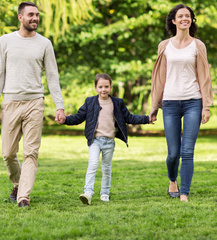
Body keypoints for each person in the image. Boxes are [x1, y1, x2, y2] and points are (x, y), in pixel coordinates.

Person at [0, 1, 66, 208]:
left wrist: (59, 106)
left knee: (31, 152)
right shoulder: (5, 41)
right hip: (11, 103)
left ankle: (24, 196)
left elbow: (52, 76)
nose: (35, 18)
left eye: (37, 15)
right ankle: (17, 183)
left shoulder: (45, 44)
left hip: (35, 103)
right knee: (8, 153)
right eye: (31, 14)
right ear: (20, 17)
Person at [149, 4, 213, 203]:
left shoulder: (198, 45)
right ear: (174, 21)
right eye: (181, 16)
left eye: (188, 16)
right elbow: (159, 77)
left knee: (187, 151)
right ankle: (172, 180)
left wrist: (206, 105)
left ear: (191, 21)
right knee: (173, 152)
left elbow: (204, 77)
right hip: (170, 102)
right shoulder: (164, 46)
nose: (185, 18)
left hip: (193, 100)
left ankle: (184, 192)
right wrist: (154, 105)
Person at [59, 73, 153, 204]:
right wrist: (65, 120)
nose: (104, 89)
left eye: (106, 86)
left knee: (106, 168)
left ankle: (104, 193)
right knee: (92, 164)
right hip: (95, 140)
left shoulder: (117, 103)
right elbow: (78, 117)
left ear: (111, 87)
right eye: (100, 86)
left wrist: (146, 119)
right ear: (96, 88)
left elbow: (129, 117)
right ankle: (88, 192)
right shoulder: (90, 102)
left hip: (109, 141)